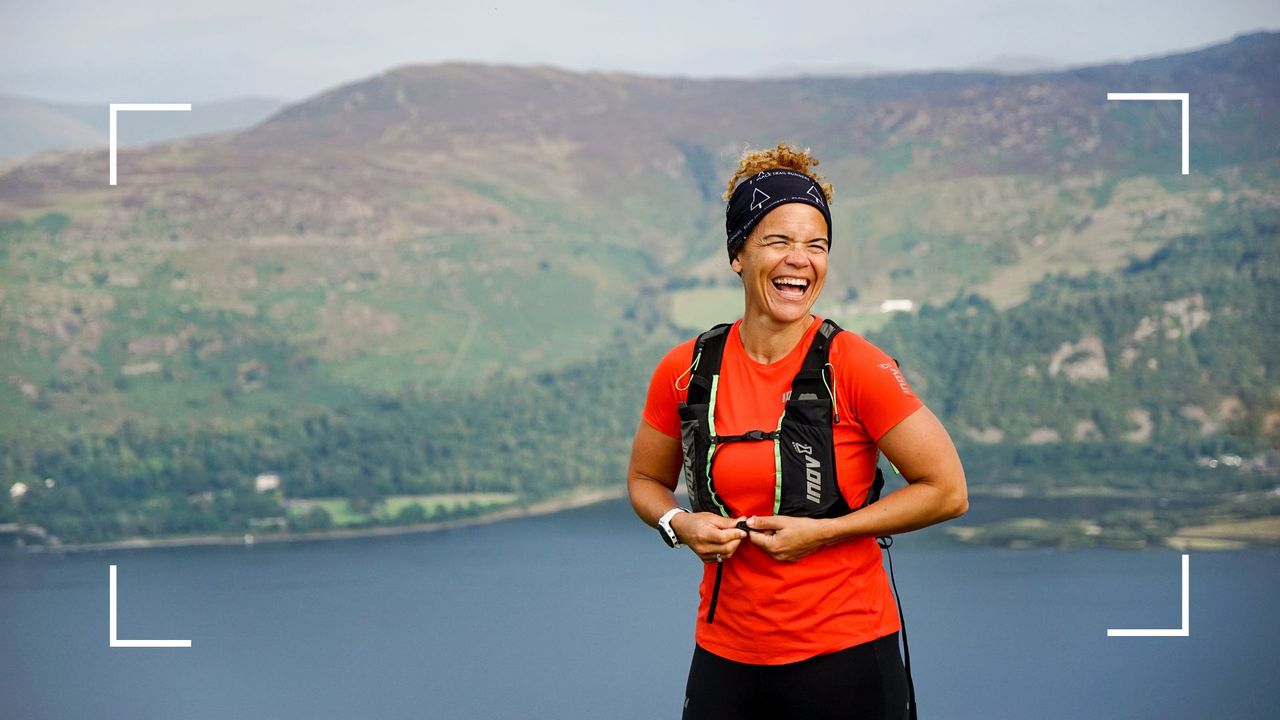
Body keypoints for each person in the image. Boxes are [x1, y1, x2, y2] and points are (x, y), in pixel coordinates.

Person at [627, 142, 968, 720]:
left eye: (817, 245)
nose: (800, 260)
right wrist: (677, 522)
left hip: (848, 654)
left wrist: (826, 534)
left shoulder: (856, 365)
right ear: (738, 253)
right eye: (778, 241)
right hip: (726, 658)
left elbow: (948, 491)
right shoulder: (685, 369)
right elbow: (643, 480)